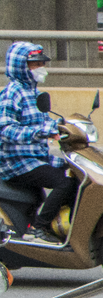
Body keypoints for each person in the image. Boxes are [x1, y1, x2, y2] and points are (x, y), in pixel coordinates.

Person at [0, 42, 73, 244]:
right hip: (18, 161)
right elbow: (6, 130)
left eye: (41, 63)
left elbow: (43, 121)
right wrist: (42, 132)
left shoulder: (32, 92)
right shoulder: (12, 92)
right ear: (20, 66)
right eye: (34, 64)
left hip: (36, 157)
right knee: (63, 182)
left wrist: (65, 126)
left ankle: (60, 228)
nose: (40, 67)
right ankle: (38, 229)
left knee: (77, 175)